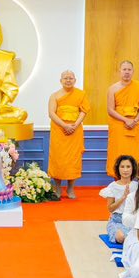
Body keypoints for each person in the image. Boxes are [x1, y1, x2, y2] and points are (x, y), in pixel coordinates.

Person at [45, 69, 88, 200]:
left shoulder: (81, 94)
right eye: (65, 78)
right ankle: (57, 188)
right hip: (59, 130)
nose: (68, 80)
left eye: (71, 78)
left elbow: (84, 111)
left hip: (75, 131)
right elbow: (52, 113)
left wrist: (75, 125)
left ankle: (70, 188)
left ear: (75, 80)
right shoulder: (55, 96)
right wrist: (64, 125)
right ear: (61, 81)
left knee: (73, 160)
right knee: (58, 159)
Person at [106, 59, 139, 169]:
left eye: (129, 69)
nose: (127, 72)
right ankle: (117, 181)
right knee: (118, 153)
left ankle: (135, 181)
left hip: (135, 125)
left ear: (133, 71)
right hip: (119, 126)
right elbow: (110, 110)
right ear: (120, 71)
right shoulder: (113, 89)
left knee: (136, 154)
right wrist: (125, 120)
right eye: (124, 69)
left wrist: (134, 121)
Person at [100, 155, 139, 244]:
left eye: (128, 166)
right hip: (117, 221)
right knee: (121, 237)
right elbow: (110, 208)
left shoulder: (137, 186)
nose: (125, 170)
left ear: (133, 168)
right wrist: (123, 198)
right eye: (122, 167)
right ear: (118, 169)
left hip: (133, 220)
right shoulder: (112, 186)